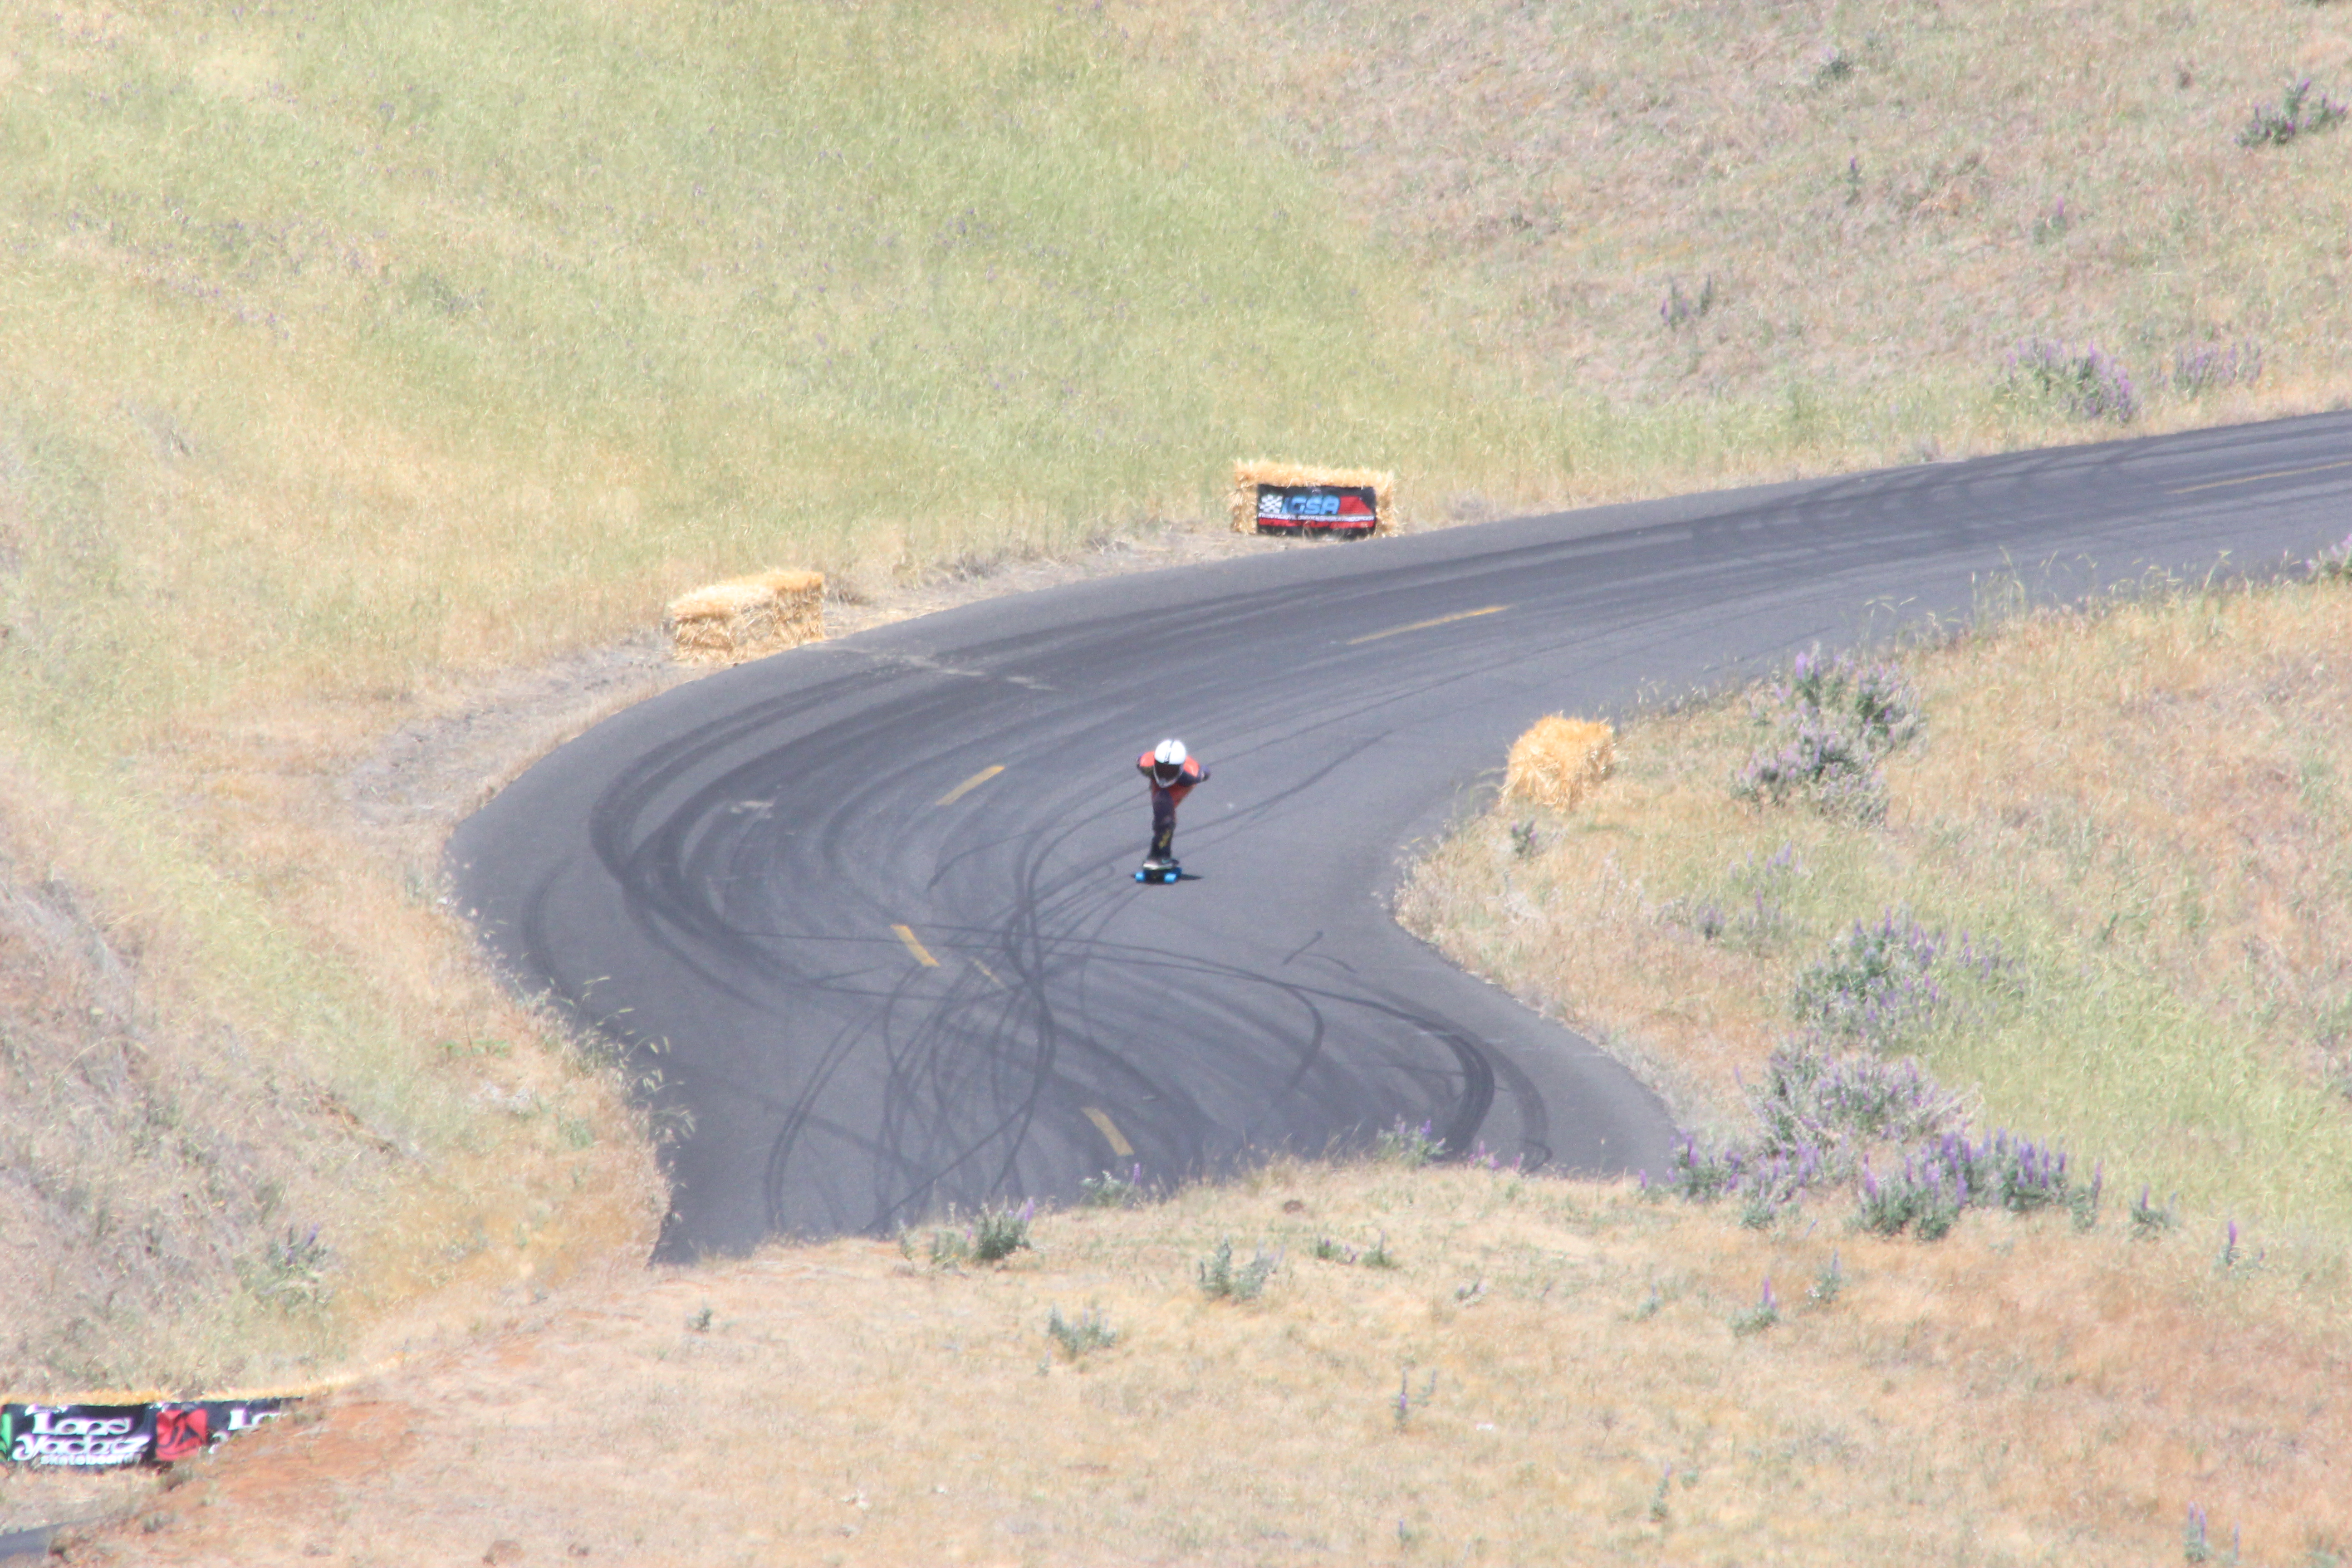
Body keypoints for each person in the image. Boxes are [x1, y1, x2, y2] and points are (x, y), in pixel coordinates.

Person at [1136, 739, 1209, 870]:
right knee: (1164, 818)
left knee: (1166, 817)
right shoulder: (1146, 765)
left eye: (1170, 770)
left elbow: (1205, 772)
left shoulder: (1191, 775)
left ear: (1180, 768)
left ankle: (1160, 855)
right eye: (1161, 768)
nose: (1165, 774)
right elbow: (1141, 758)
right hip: (1158, 787)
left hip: (1180, 787)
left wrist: (1203, 774)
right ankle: (1159, 856)